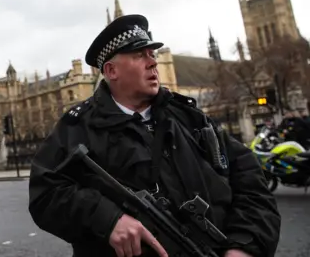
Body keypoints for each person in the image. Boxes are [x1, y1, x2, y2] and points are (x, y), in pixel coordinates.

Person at [28, 14, 281, 257]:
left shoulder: (190, 118)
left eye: (152, 54)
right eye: (140, 55)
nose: (153, 62)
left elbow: (250, 182)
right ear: (111, 70)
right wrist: (107, 219)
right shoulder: (77, 127)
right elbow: (45, 195)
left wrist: (245, 246)